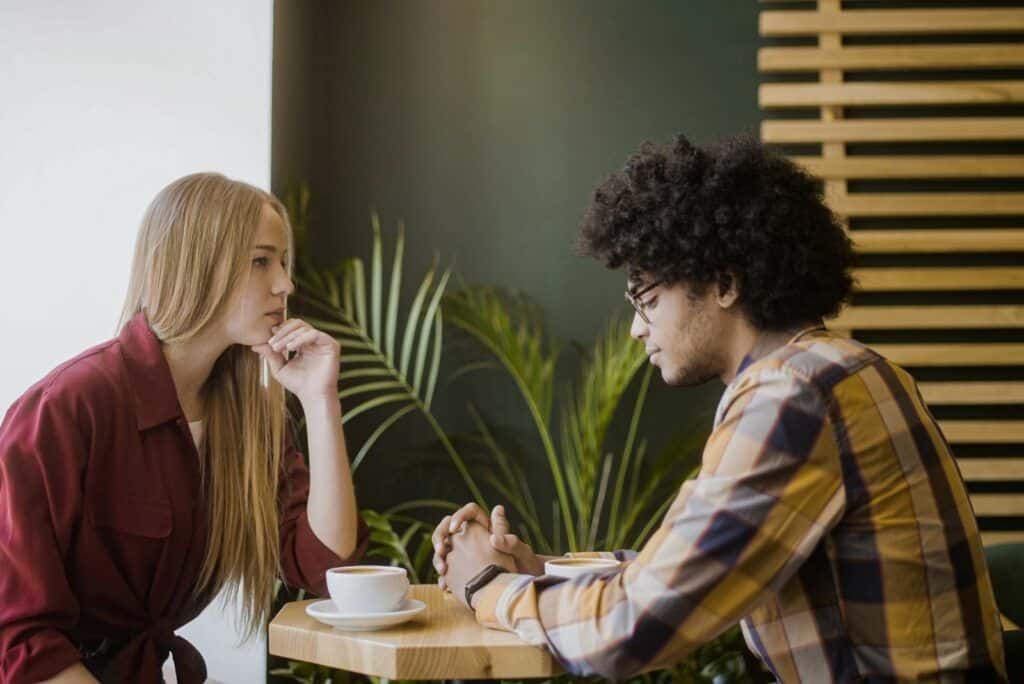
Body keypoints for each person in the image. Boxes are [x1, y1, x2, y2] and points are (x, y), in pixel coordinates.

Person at [432, 135, 1008, 682]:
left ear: (725, 283)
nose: (636, 329)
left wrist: (486, 586)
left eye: (647, 298)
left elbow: (631, 629)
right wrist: (542, 571)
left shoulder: (793, 396)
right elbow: (694, 568)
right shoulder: (847, 369)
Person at [0, 173, 368, 683]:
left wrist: (320, 400)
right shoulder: (67, 407)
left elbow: (326, 564)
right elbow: (20, 637)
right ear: (199, 265)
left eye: (283, 262)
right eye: (261, 261)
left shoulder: (250, 420)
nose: (286, 284)